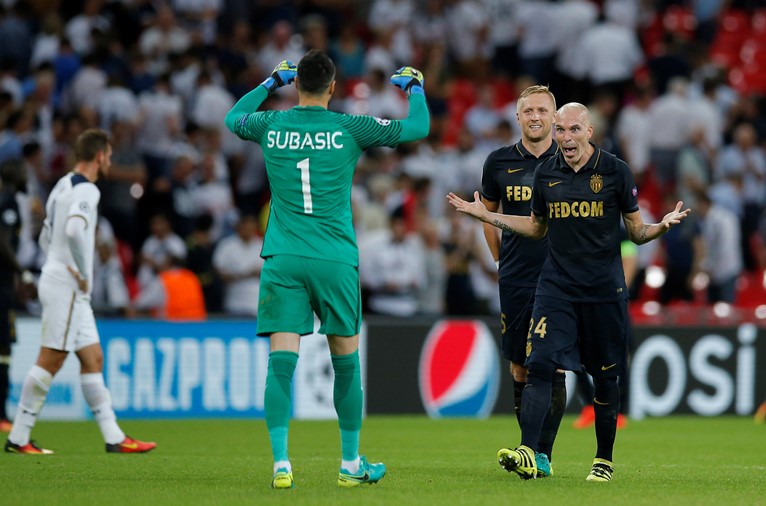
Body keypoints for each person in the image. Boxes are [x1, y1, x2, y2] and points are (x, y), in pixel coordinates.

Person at [447, 103, 690, 482]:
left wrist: (662, 225)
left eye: (573, 129)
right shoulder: (546, 173)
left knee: (605, 377)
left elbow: (637, 233)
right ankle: (531, 451)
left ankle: (603, 460)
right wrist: (486, 216)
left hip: (603, 291)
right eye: (560, 130)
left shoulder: (615, 171)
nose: (565, 137)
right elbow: (535, 227)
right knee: (540, 364)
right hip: (556, 288)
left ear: (590, 131)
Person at [224, 50, 429, 489]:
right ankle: (350, 463)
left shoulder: (271, 125)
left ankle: (281, 464)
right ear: (333, 88)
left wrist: (268, 83)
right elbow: (419, 128)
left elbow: (232, 118)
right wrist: (414, 88)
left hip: (283, 257)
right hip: (335, 258)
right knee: (346, 364)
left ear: (297, 85)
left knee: (281, 364)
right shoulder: (348, 127)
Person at [5, 129, 157, 455]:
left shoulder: (62, 184)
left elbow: (47, 234)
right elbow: (75, 229)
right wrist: (81, 271)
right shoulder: (88, 189)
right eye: (110, 156)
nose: (110, 162)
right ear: (100, 155)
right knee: (52, 358)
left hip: (60, 280)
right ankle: (18, 437)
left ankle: (114, 437)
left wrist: (55, 264)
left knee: (93, 358)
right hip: (69, 286)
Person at [479, 84, 564, 478]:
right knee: (519, 367)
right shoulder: (497, 162)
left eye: (541, 110)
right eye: (527, 110)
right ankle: (532, 449)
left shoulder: (571, 160)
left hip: (560, 278)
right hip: (515, 276)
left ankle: (539, 453)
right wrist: (499, 259)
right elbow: (487, 214)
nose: (534, 116)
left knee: (551, 364)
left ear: (554, 116)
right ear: (517, 118)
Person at [0, 160, 34, 432]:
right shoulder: (8, 202)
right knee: (4, 350)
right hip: (2, 286)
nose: (26, 176)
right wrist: (22, 272)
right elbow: (2, 241)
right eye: (23, 171)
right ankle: (0, 413)